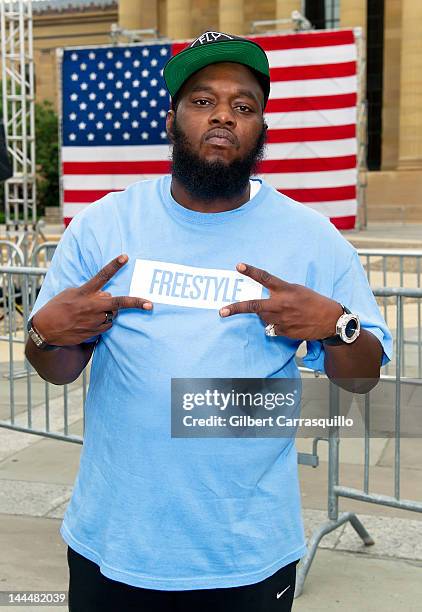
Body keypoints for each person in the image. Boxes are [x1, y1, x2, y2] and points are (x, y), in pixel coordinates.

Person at [25, 31, 392, 612]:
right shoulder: (103, 226)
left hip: (246, 553)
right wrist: (44, 333)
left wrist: (336, 324)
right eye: (202, 100)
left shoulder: (311, 238)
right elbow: (58, 369)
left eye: (243, 105)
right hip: (113, 542)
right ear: (170, 118)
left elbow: (361, 376)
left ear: (262, 126)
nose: (223, 115)